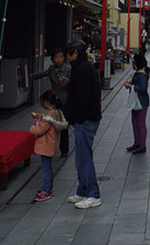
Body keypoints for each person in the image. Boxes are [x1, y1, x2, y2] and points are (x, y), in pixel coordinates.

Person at [64, 40, 102, 209]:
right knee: (81, 157)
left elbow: (83, 97)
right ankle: (83, 189)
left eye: (68, 53)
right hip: (86, 118)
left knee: (84, 157)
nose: (67, 57)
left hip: (84, 120)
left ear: (75, 53)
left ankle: (92, 194)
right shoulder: (84, 67)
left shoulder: (81, 70)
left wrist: (78, 119)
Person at [30, 48, 71, 157]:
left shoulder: (67, 70)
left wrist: (68, 83)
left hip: (65, 100)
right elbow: (43, 73)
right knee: (52, 125)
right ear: (53, 59)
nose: (59, 59)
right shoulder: (51, 69)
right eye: (56, 57)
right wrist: (32, 76)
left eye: (61, 57)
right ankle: (53, 146)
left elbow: (75, 82)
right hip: (54, 101)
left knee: (63, 124)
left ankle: (64, 149)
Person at [29, 90, 68, 202]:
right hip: (52, 144)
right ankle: (48, 188)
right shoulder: (57, 113)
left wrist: (32, 128)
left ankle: (46, 190)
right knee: (48, 168)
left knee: (46, 169)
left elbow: (40, 130)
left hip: (46, 145)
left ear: (46, 102)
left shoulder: (48, 118)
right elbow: (46, 119)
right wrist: (39, 117)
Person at [124, 53, 150, 154]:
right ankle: (137, 142)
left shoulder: (142, 74)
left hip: (141, 101)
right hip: (136, 101)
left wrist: (131, 86)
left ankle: (142, 144)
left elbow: (142, 88)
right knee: (135, 122)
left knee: (140, 123)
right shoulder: (138, 73)